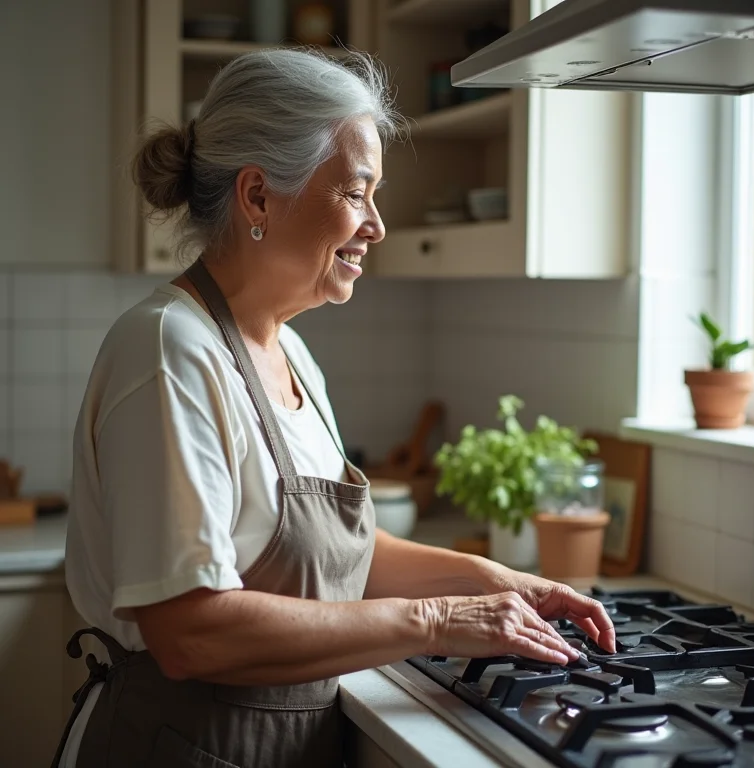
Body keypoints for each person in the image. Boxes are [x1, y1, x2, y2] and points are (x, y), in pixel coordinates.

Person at [53, 48, 615, 768]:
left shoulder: (290, 352)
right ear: (258, 197)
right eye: (355, 193)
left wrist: (498, 582)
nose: (376, 225)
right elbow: (190, 631)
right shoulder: (170, 352)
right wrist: (437, 619)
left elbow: (341, 560)